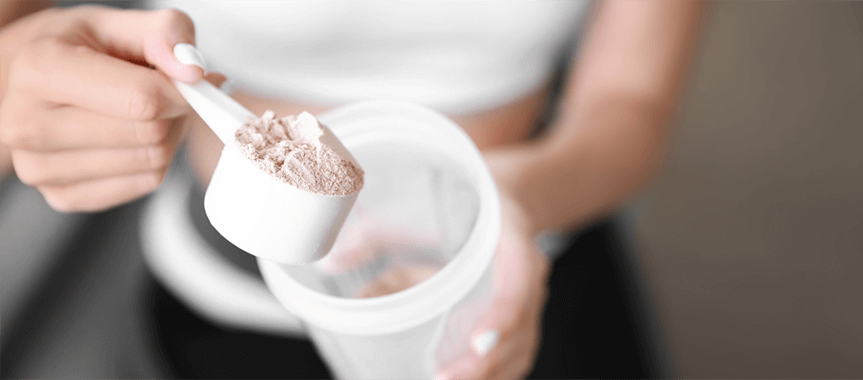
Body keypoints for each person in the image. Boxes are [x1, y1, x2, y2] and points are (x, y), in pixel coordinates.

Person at [0, 1, 704, 379]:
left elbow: (631, 104)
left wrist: (513, 203)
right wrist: (16, 85)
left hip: (519, 275)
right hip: (224, 307)